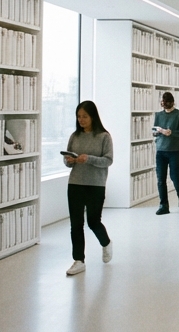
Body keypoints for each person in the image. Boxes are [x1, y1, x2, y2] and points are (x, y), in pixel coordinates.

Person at [64, 100, 113, 276]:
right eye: (79, 116)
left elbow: (108, 160)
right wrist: (70, 161)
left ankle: (106, 243)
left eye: (85, 116)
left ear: (93, 117)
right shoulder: (74, 136)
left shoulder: (104, 137)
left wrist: (89, 159)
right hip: (75, 183)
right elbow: (67, 161)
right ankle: (78, 260)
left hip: (95, 184)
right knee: (76, 224)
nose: (81, 120)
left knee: (93, 221)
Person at [153, 91, 179, 215]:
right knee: (160, 179)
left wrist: (171, 132)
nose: (165, 105)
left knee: (174, 177)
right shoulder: (158, 115)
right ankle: (164, 205)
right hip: (160, 150)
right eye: (163, 103)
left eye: (167, 103)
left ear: (172, 102)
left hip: (174, 151)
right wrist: (158, 132)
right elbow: (154, 131)